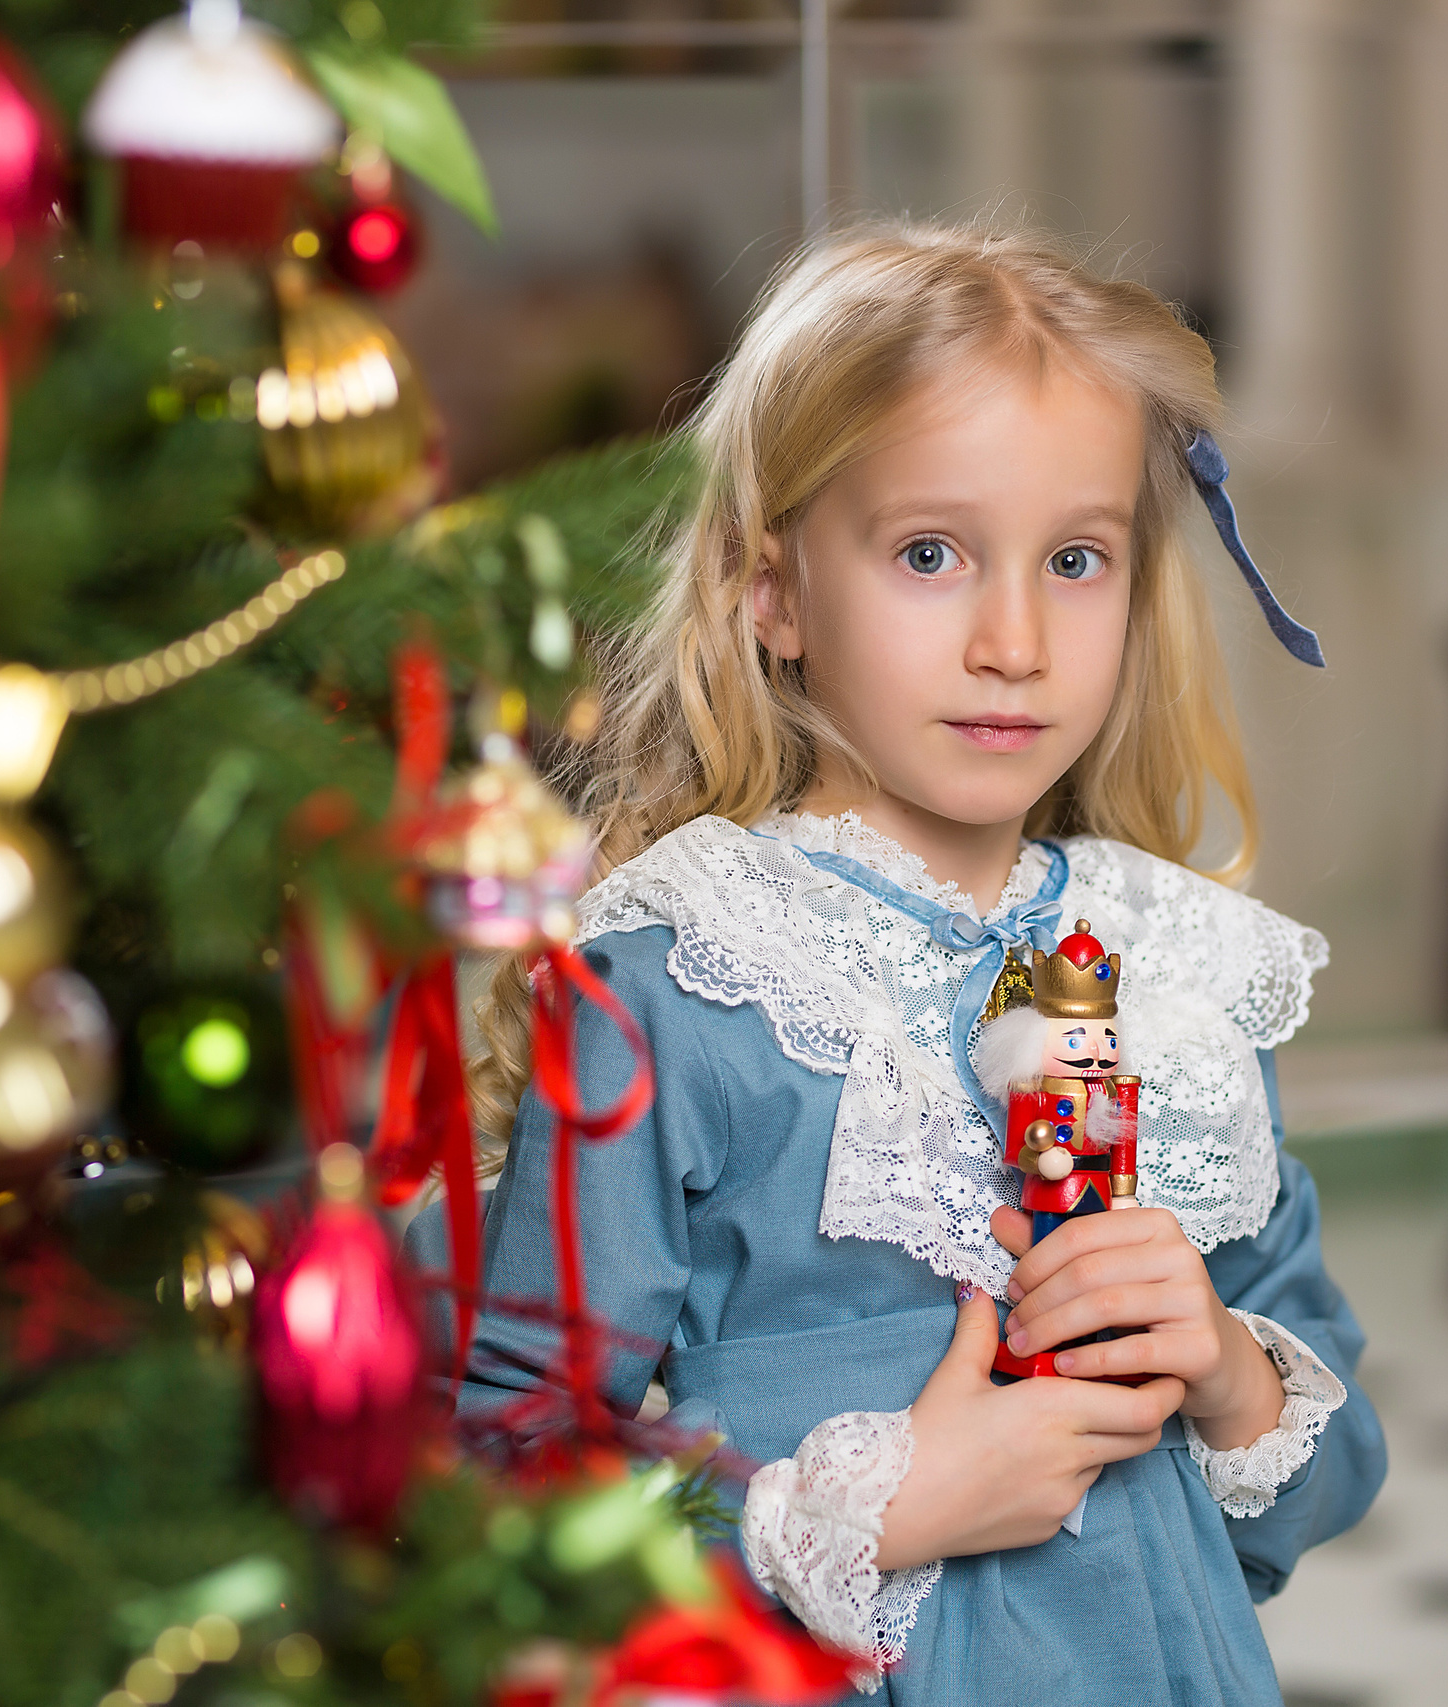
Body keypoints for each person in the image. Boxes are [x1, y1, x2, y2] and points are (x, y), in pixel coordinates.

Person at [443, 222, 1385, 1704]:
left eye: (1075, 559)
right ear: (774, 591)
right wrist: (870, 1514)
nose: (1014, 640)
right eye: (931, 555)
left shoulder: (1172, 971)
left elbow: (1326, 1474)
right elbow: (511, 1474)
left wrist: (1220, 1364)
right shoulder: (686, 975)